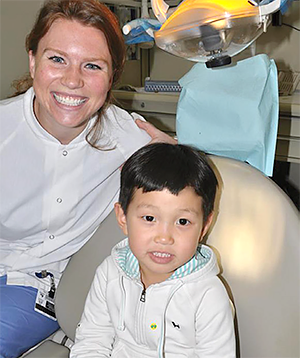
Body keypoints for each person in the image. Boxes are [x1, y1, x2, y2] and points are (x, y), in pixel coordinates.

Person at [0, 1, 174, 357]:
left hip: (41, 282)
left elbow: (189, 181)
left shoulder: (130, 138)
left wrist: (172, 154)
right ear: (33, 61)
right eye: (57, 59)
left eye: (92, 65)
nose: (73, 80)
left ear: (111, 76)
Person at [70, 143, 236, 358]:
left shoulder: (208, 296)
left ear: (204, 226)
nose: (164, 237)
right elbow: (92, 340)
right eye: (149, 218)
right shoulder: (110, 272)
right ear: (122, 217)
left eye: (183, 221)